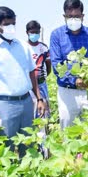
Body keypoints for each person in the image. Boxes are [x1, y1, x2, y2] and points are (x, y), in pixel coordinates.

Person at [0, 6, 46, 158]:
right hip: (4, 104)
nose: (11, 27)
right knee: (6, 149)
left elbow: (32, 73)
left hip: (26, 102)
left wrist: (39, 98)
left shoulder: (22, 46)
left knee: (28, 146)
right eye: (7, 24)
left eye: (13, 23)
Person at [50, 0, 88, 129]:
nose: (73, 19)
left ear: (83, 16)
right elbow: (56, 64)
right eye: (70, 16)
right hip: (67, 92)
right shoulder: (57, 35)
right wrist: (74, 80)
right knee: (68, 130)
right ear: (64, 16)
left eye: (77, 16)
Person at [26, 20, 51, 158]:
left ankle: (44, 151)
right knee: (30, 117)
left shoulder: (43, 47)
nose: (34, 34)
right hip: (27, 86)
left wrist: (42, 78)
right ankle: (33, 149)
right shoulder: (23, 47)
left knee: (43, 116)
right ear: (27, 33)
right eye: (32, 32)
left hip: (41, 84)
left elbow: (49, 66)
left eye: (36, 32)